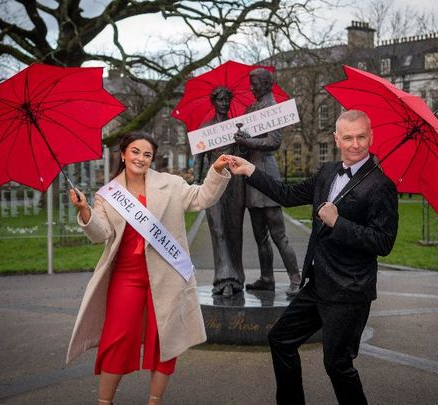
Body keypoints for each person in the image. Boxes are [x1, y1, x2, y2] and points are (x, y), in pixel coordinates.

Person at [228, 109, 399, 404]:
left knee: (337, 365)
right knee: (280, 339)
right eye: (348, 137)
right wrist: (250, 171)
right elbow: (287, 195)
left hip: (349, 291)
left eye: (361, 137)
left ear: (371, 137)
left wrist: (338, 222)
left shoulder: (381, 186)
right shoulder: (328, 173)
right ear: (337, 139)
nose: (355, 144)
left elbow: (383, 242)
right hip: (319, 283)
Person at [65, 132, 232, 405]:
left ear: (152, 159)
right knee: (116, 340)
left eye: (146, 155)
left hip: (166, 276)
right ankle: (104, 402)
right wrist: (85, 211)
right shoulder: (107, 195)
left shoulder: (171, 184)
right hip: (125, 277)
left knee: (163, 341)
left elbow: (202, 197)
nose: (140, 158)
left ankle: (155, 401)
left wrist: (215, 170)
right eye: (135, 151)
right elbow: (101, 233)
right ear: (122, 154)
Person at [233, 68, 301, 296]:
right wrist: (241, 143)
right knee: (259, 234)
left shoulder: (272, 108)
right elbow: (250, 144)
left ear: (266, 84)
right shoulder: (252, 108)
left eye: (255, 84)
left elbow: (274, 142)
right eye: (251, 84)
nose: (251, 88)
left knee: (278, 234)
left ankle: (295, 279)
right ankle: (266, 277)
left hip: (266, 173)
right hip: (250, 175)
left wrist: (249, 142)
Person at [193, 86, 246, 297]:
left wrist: (243, 140)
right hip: (212, 182)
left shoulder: (237, 127)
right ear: (214, 102)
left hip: (235, 184)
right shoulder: (206, 128)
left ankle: (237, 278)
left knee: (235, 230)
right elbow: (198, 158)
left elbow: (245, 154)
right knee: (218, 230)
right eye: (220, 99)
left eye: (227, 100)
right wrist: (196, 182)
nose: (224, 103)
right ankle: (224, 279)